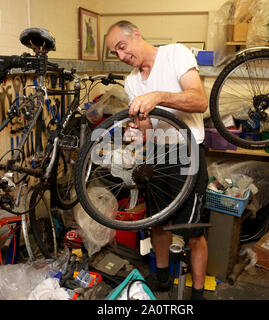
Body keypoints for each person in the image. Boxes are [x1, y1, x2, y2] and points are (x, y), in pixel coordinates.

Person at [106, 21, 209, 300]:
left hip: (187, 151)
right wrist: (136, 131)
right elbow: (148, 128)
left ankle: (197, 293)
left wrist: (157, 97)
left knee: (194, 230)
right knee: (158, 221)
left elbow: (200, 102)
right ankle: (162, 277)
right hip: (157, 154)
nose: (121, 56)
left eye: (122, 47)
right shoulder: (131, 82)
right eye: (114, 53)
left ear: (137, 35)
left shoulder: (176, 54)